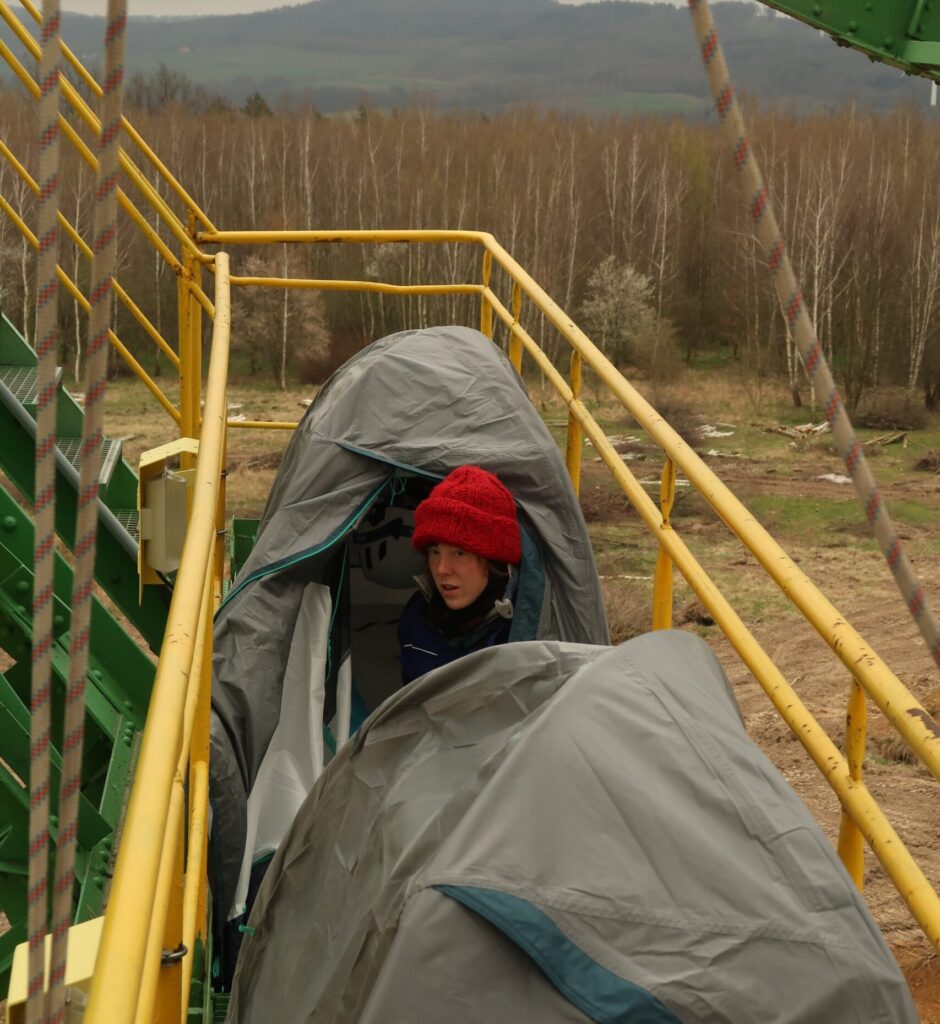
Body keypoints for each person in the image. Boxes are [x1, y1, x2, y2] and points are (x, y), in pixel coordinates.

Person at [398, 465, 521, 684]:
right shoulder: (417, 616)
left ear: (494, 560)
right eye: (434, 551)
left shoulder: (525, 631)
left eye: (459, 553)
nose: (441, 568)